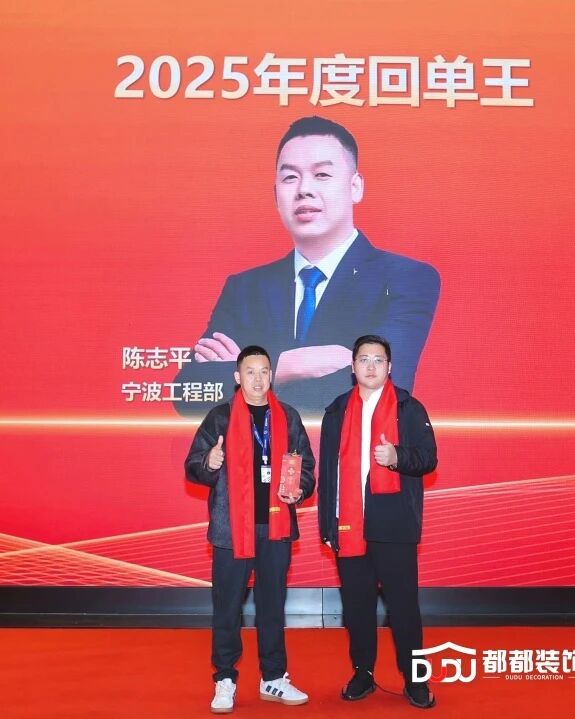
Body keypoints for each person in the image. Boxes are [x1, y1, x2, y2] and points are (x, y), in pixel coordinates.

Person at [175, 116, 440, 416]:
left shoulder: (406, 278)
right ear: (276, 195)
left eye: (322, 174)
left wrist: (246, 371)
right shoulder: (245, 288)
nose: (304, 189)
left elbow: (380, 388)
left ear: (355, 187)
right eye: (290, 177)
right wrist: (286, 366)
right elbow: (189, 392)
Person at [185, 345, 315, 713]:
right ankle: (225, 678)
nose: (258, 379)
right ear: (237, 376)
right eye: (250, 372)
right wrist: (209, 462)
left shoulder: (287, 417)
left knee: (272, 607)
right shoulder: (220, 418)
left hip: (275, 527)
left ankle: (273, 677)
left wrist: (300, 489)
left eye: (264, 371)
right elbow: (193, 465)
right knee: (227, 608)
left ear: (272, 375)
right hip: (231, 531)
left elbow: (306, 466)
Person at [317, 334, 439, 709]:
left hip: (394, 524)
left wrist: (397, 456)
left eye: (378, 360)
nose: (371, 366)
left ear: (390, 367)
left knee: (404, 607)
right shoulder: (337, 410)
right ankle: (363, 673)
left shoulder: (408, 408)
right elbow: (329, 473)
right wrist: (327, 523)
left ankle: (415, 679)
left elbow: (428, 458)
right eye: (364, 359)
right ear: (352, 367)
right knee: (357, 607)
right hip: (349, 525)